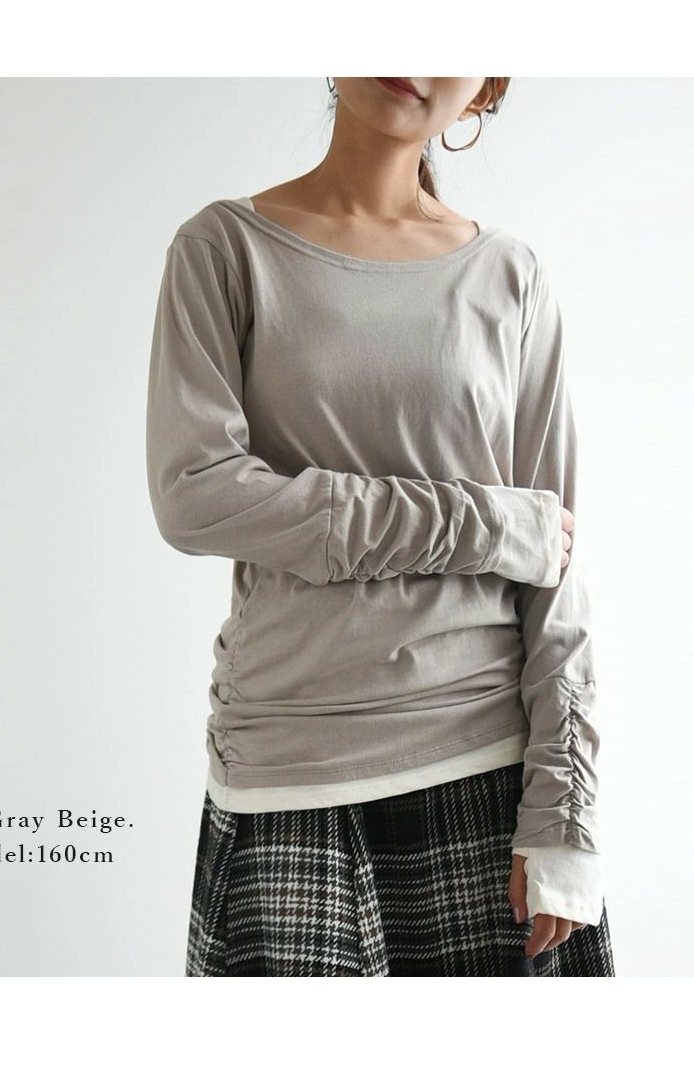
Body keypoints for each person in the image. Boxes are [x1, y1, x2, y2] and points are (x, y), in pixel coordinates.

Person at [145, 77, 616, 976]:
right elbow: (194, 494)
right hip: (286, 771)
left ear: (484, 92)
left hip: (488, 762)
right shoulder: (225, 248)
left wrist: (565, 810)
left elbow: (555, 556)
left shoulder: (509, 276)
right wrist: (477, 524)